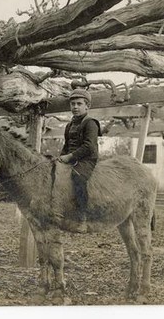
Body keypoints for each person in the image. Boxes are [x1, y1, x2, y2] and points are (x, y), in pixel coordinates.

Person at [58, 88, 102, 233]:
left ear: (87, 106)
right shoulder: (69, 125)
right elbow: (66, 145)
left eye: (79, 104)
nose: (75, 107)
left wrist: (70, 157)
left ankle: (83, 215)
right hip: (71, 157)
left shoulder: (90, 123)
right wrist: (61, 157)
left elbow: (89, 146)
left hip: (87, 159)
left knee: (78, 177)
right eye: (72, 104)